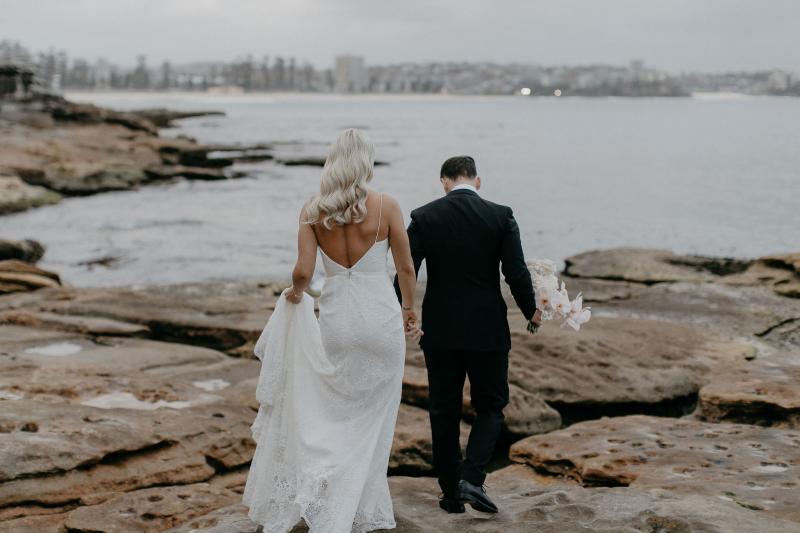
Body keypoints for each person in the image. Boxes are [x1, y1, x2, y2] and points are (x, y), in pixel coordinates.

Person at [243, 129, 420, 533]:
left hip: (337, 321)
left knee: (336, 407)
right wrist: (411, 310)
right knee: (374, 416)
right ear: (366, 163)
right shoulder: (387, 205)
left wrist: (295, 294)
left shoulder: (312, 210)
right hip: (380, 319)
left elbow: (302, 271)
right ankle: (354, 504)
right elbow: (406, 268)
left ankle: (326, 490)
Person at [394, 155, 542, 514]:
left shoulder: (424, 216)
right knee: (491, 406)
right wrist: (531, 311)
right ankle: (472, 479)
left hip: (440, 330)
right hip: (487, 329)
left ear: (444, 181)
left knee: (443, 410)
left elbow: (406, 270)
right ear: (478, 181)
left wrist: (400, 310)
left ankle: (450, 494)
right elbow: (516, 272)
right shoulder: (501, 215)